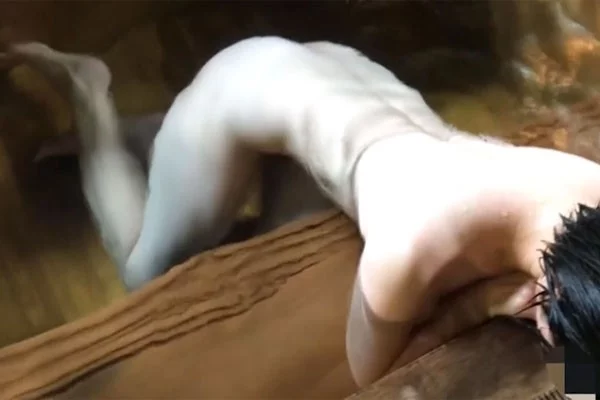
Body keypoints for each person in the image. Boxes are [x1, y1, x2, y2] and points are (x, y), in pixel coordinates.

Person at [3, 37, 599, 388]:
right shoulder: (408, 247)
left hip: (344, 87)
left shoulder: (589, 188)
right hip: (240, 87)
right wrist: (482, 304)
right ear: (549, 294)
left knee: (265, 228)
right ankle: (90, 92)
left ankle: (169, 147)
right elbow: (371, 372)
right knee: (143, 268)